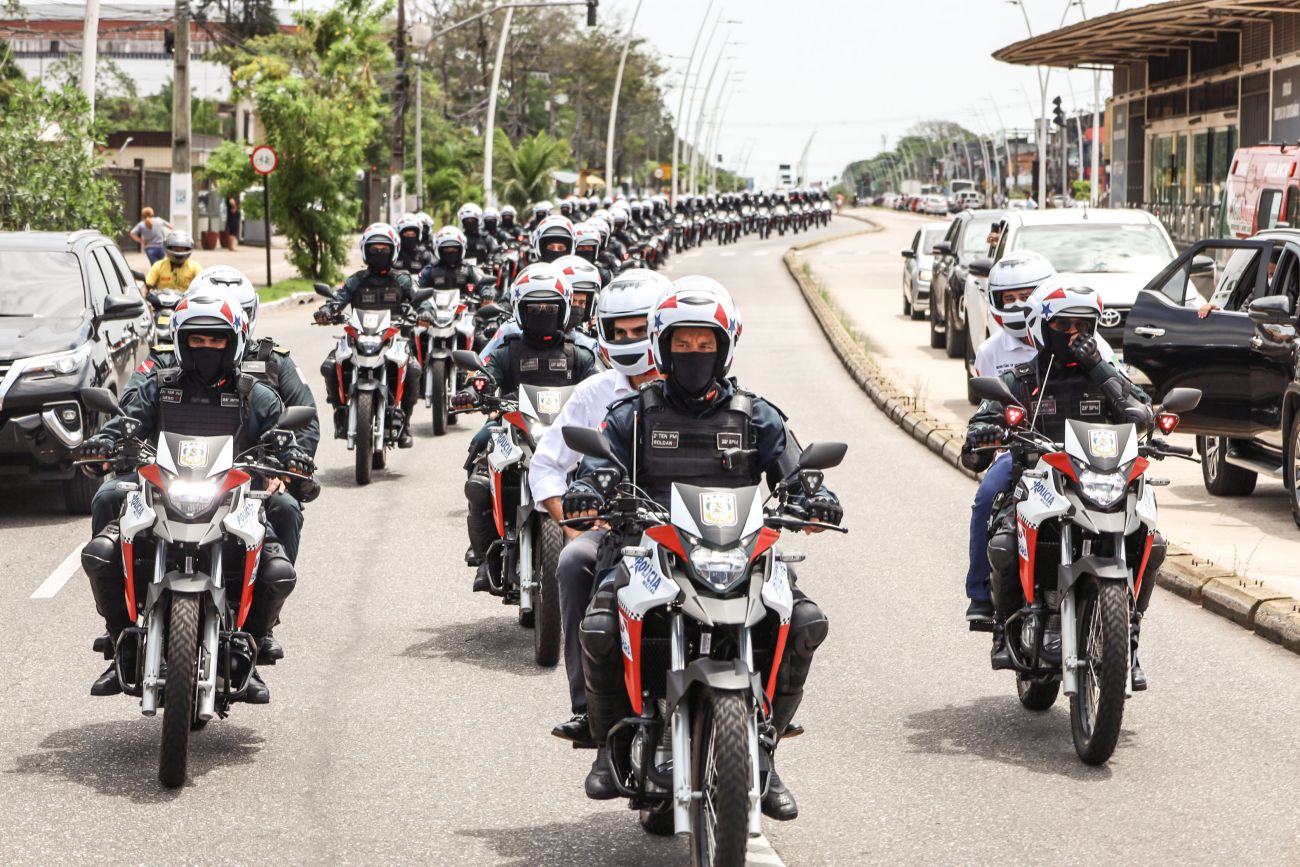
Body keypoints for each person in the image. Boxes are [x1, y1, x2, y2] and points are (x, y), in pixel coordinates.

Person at [563, 276, 841, 819]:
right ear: (663, 347)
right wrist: (588, 489)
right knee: (598, 626)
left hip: (740, 552)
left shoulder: (755, 415)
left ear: (724, 346)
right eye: (683, 342)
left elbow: (797, 472)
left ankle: (764, 747)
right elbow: (596, 466)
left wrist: (816, 499)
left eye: (705, 342)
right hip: (647, 551)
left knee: (805, 621)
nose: (694, 353)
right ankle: (608, 744)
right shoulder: (632, 415)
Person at [78, 291, 296, 703]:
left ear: (233, 342)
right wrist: (103, 445)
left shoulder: (254, 393)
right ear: (181, 341)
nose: (206, 347)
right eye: (197, 339)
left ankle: (256, 639)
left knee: (282, 536)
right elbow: (126, 423)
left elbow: (283, 436)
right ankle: (120, 640)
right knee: (105, 512)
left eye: (216, 340)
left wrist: (291, 463)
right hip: (164, 489)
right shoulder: (160, 386)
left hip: (234, 497)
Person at [960, 280, 1159, 689]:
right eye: (1063, 326)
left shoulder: (1106, 377)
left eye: (1082, 327)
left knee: (1152, 541)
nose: (1073, 336)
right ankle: (1002, 624)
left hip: (1100, 480)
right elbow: (982, 424)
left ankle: (1129, 637)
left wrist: (1099, 367)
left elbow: (1142, 414)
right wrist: (982, 434)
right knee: (1002, 538)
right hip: (1038, 478)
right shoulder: (1021, 378)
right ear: (1041, 327)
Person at [531, 270, 670, 750]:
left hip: (698, 533)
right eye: (620, 331)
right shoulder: (596, 395)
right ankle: (588, 706)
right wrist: (572, 526)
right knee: (574, 562)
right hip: (618, 532)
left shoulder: (710, 392)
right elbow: (547, 465)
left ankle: (762, 716)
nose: (629, 341)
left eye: (640, 330)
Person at [452, 264, 599, 591]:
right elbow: (484, 375)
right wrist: (472, 392)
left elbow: (599, 385)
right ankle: (485, 556)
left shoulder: (580, 355)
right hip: (513, 427)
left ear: (564, 309)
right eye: (534, 308)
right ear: (519, 310)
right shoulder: (508, 351)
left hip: (566, 436)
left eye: (550, 307)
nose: (542, 313)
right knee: (478, 478)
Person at [315, 223, 422, 447]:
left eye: (384, 249)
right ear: (365, 250)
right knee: (329, 366)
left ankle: (405, 423)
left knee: (413, 369)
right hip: (358, 337)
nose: (379, 253)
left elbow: (420, 300)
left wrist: (425, 312)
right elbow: (338, 298)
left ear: (394, 250)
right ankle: (339, 410)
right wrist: (327, 311)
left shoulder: (402, 280)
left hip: (393, 339)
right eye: (374, 249)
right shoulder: (357, 280)